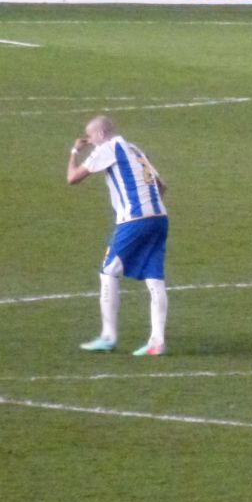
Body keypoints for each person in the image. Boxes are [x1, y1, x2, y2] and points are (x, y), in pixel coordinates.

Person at [67, 115, 169, 356]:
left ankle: (108, 336)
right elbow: (162, 185)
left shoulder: (108, 148)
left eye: (90, 137)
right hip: (159, 217)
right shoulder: (134, 149)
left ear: (101, 134)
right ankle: (157, 342)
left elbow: (72, 178)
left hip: (134, 220)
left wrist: (74, 150)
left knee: (108, 271)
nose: (90, 141)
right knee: (155, 279)